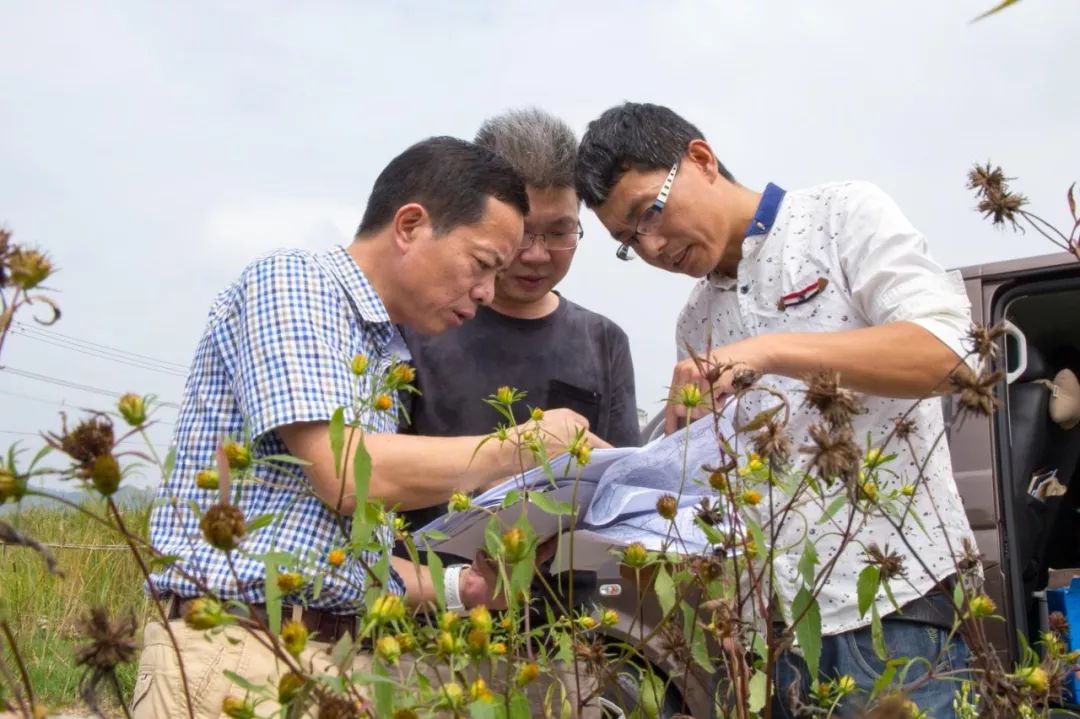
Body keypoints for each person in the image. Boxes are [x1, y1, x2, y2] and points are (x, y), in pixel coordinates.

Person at [132, 136, 602, 718]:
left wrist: (466, 589)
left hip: (336, 657)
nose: (485, 293)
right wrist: (523, 446)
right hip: (239, 654)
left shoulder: (385, 350)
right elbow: (342, 474)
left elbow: (339, 562)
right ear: (410, 225)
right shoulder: (296, 284)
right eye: (482, 265)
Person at [574, 102, 979, 718]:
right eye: (628, 243)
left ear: (701, 159)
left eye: (649, 213)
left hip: (899, 605)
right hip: (782, 633)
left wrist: (768, 351)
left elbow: (948, 355)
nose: (652, 245)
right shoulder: (697, 320)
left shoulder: (840, 217)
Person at [400, 108, 640, 532]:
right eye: (522, 231)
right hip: (432, 587)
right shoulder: (419, 326)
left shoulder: (603, 340)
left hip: (565, 591)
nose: (536, 253)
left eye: (560, 231)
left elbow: (622, 487)